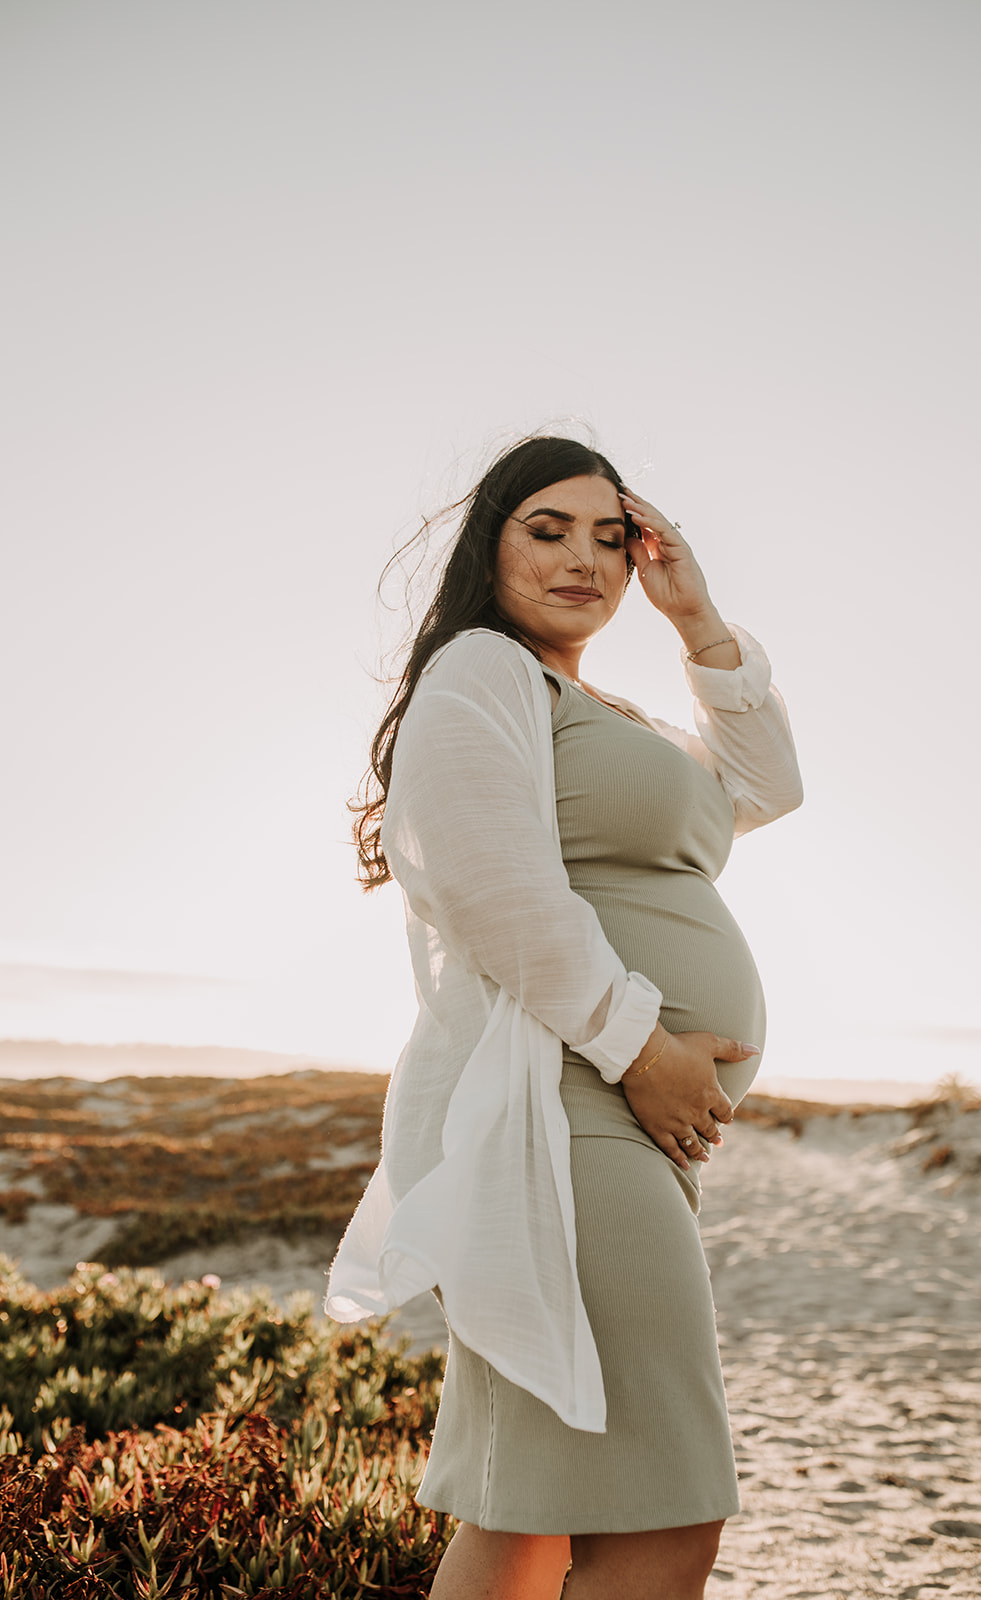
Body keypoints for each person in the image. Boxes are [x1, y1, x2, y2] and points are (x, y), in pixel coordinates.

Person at [327, 435, 803, 1600]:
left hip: (597, 1120)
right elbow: (494, 887)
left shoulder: (598, 706)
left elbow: (766, 785)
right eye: (547, 529)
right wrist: (643, 1049)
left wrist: (696, 619)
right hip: (559, 1109)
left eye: (609, 535)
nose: (583, 558)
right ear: (487, 540)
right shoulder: (483, 670)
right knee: (660, 1511)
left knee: (531, 1512)